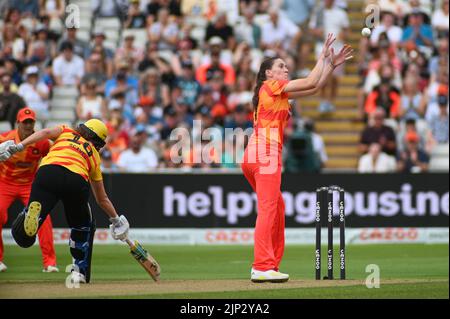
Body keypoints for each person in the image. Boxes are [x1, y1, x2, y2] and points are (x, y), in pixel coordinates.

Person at [241, 34, 353, 283]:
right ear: (268, 73)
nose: (286, 68)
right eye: (281, 66)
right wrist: (322, 58)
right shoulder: (270, 86)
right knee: (269, 209)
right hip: (265, 152)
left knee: (276, 208)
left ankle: (269, 264)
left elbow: (315, 87)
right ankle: (261, 266)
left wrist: (331, 66)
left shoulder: (278, 94)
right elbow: (312, 79)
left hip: (254, 154)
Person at [1, 119, 130, 284]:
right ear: (97, 141)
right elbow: (101, 198)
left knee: (23, 237)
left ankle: (30, 216)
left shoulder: (66, 131)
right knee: (82, 225)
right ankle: (78, 272)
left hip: (48, 172)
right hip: (76, 180)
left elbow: (44, 133)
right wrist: (116, 220)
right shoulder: (94, 156)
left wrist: (19, 146)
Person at [0, 108, 57, 273]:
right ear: (18, 123)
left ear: (34, 123)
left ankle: (50, 263)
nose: (28, 125)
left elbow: (53, 157)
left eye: (30, 122)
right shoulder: (5, 139)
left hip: (29, 185)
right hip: (5, 183)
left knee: (43, 218)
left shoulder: (42, 142)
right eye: (25, 122)